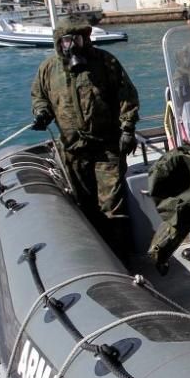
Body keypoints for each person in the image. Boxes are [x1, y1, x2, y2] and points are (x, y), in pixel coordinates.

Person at [30, 18, 139, 254]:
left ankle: (122, 257)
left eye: (77, 40)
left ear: (86, 39)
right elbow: (39, 96)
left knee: (111, 205)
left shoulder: (105, 62)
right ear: (59, 43)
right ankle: (96, 255)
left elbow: (126, 96)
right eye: (67, 41)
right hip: (72, 149)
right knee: (84, 205)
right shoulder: (48, 69)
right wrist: (41, 113)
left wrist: (128, 129)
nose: (72, 46)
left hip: (106, 147)